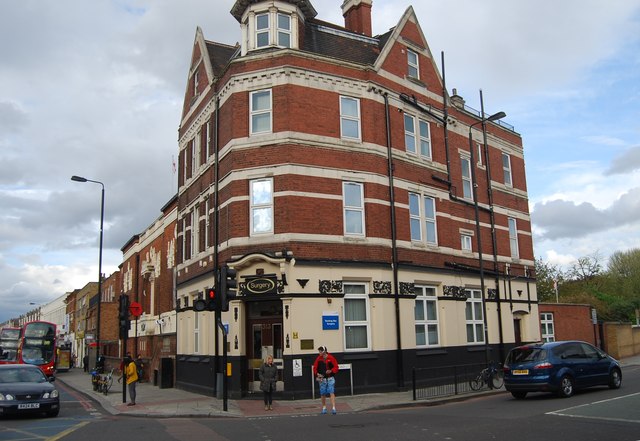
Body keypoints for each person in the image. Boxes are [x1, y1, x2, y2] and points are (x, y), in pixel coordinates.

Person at [313, 346, 339, 414]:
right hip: (322, 379)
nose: (319, 352)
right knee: (322, 393)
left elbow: (336, 367)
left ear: (324, 351)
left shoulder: (331, 358)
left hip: (330, 378)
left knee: (331, 392)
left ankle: (333, 408)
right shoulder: (318, 359)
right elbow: (315, 368)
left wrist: (331, 371)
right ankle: (324, 408)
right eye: (319, 351)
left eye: (321, 351)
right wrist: (317, 374)